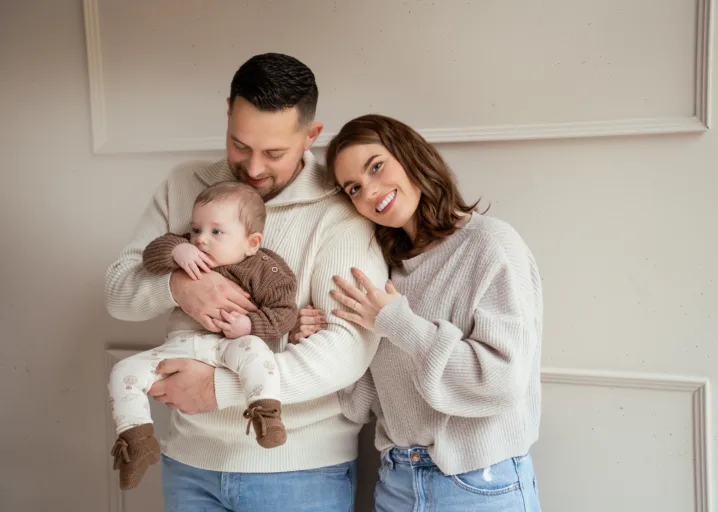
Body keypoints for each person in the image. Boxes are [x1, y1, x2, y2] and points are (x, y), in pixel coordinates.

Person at [104, 53, 388, 511]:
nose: (254, 168)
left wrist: (220, 389)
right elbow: (119, 292)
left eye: (274, 153)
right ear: (228, 114)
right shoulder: (184, 184)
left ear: (311, 136)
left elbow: (350, 343)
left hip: (298, 470)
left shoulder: (339, 209)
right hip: (188, 462)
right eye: (239, 145)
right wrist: (181, 287)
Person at [297, 114, 543, 511]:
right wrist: (320, 335)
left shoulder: (491, 245)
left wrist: (400, 324)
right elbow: (361, 404)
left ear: (409, 154)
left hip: (479, 484)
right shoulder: (385, 272)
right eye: (354, 188)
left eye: (376, 166)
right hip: (397, 481)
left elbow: (502, 381)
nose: (371, 192)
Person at [108, 181, 297, 491]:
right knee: (123, 371)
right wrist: (177, 250)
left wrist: (250, 325)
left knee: (257, 354)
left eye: (216, 232)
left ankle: (266, 414)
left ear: (252, 242)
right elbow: (151, 254)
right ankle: (137, 440)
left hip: (230, 345)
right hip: (179, 347)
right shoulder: (186, 248)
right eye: (196, 230)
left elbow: (284, 313)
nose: (201, 240)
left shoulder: (267, 270)